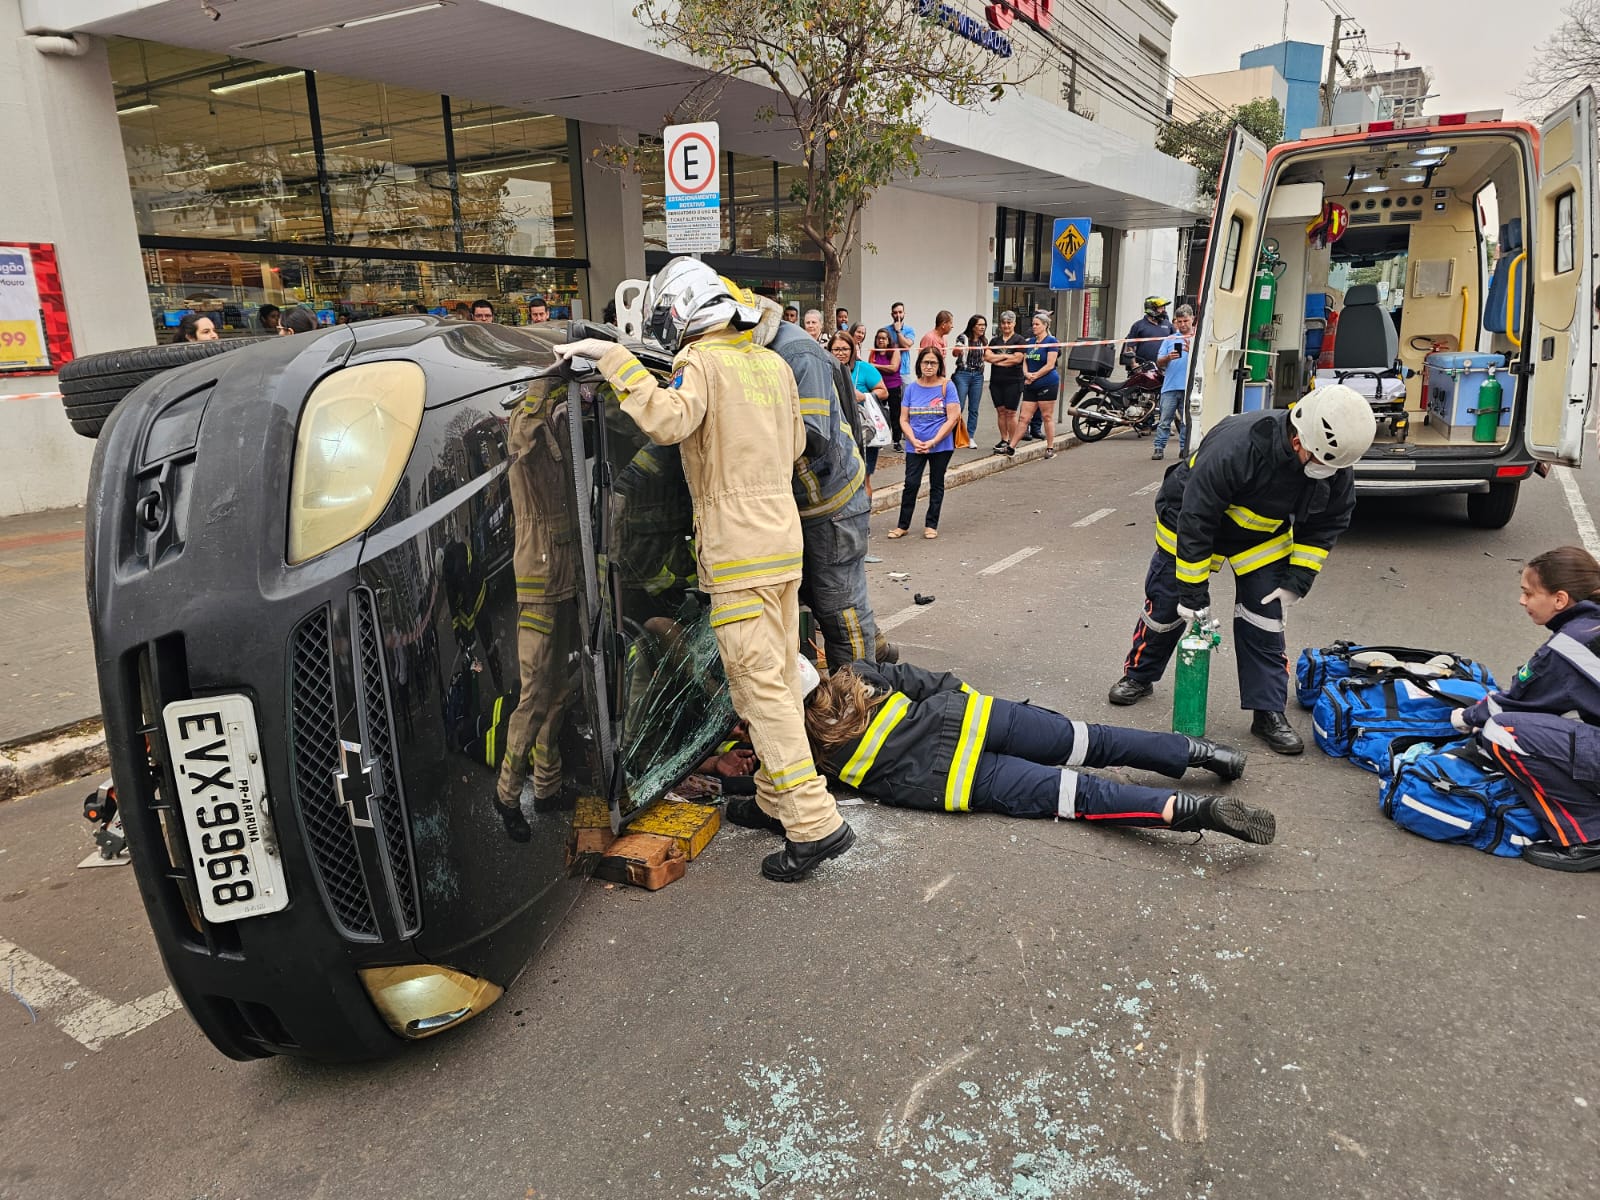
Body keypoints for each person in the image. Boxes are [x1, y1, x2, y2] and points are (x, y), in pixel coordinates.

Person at [555, 256, 854, 881]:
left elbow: (666, 422)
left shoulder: (703, 362)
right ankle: (776, 795)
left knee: (759, 687)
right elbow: (797, 444)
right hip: (781, 545)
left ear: (682, 313)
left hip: (738, 553)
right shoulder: (769, 362)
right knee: (770, 674)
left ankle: (814, 824)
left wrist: (613, 359)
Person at [724, 658, 1273, 845]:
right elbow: (931, 679)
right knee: (1089, 740)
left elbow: (785, 796)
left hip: (957, 779)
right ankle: (1209, 754)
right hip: (978, 720)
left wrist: (732, 788)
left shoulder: (807, 750)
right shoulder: (859, 675)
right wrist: (974, 708)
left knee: (1078, 796)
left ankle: (1195, 814)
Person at [1107, 385, 1377, 755]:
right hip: (1188, 521)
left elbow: (1328, 522)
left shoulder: (1332, 465)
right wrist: (1193, 593)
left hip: (1258, 538)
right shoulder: (1239, 445)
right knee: (1167, 608)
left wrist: (1298, 580)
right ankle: (1138, 675)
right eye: (1318, 459)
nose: (1323, 471)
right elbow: (1197, 518)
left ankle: (1267, 711)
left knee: (1264, 619)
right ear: (1299, 438)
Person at [760, 294, 888, 671]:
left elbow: (812, 435)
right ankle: (875, 647)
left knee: (839, 606)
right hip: (804, 507)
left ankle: (861, 696)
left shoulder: (796, 353)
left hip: (830, 507)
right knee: (819, 594)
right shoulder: (769, 351)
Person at [1453, 546, 1600, 871]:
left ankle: (1588, 835)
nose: (1522, 601)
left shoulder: (1569, 645)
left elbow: (1515, 703)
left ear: (1560, 600)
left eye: (1529, 593)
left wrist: (1464, 717)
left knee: (1501, 731)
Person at [888, 346, 960, 540]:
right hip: (915, 445)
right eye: (925, 362)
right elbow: (903, 419)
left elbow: (952, 418)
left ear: (939, 365)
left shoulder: (948, 386)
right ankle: (902, 525)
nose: (929, 366)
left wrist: (934, 441)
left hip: (940, 445)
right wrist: (913, 440)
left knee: (936, 483)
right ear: (919, 364)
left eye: (933, 363)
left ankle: (931, 524)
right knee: (911, 483)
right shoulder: (912, 388)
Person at [828, 331, 887, 479]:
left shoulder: (864, 369)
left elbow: (884, 392)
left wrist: (865, 396)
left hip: (863, 431)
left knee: (863, 479)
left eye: (845, 349)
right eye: (836, 349)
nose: (840, 353)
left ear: (852, 350)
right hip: (836, 434)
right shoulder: (825, 370)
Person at [1151, 304, 1195, 462]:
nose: (1183, 324)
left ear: (1192, 319)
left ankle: (1184, 449)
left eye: (1186, 321)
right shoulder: (1170, 339)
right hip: (1170, 386)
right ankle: (1159, 448)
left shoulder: (1197, 339)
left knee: (1186, 421)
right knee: (1164, 421)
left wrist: (1192, 351)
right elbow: (1159, 362)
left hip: (1189, 388)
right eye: (1179, 321)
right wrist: (1168, 357)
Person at [1015, 312, 1060, 460]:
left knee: (1047, 416)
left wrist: (1035, 376)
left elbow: (1050, 364)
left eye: (1037, 324)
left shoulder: (1051, 341)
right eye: (1033, 324)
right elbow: (1025, 361)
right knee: (1023, 417)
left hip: (1047, 383)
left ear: (1045, 325)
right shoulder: (1030, 342)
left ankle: (1050, 447)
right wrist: (1026, 374)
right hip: (1030, 383)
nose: (1033, 327)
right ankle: (1011, 447)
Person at [986, 309, 1027, 456]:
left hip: (1013, 382)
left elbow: (1017, 359)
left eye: (1009, 322)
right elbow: (987, 357)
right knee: (1000, 411)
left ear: (1014, 323)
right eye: (1003, 323)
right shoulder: (994, 340)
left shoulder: (1019, 340)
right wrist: (1005, 358)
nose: (1006, 325)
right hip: (996, 382)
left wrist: (998, 359)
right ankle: (1004, 439)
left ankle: (1012, 443)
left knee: (1011, 412)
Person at [951, 314, 988, 442]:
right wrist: (958, 350)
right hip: (963, 374)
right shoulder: (963, 338)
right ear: (973, 326)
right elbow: (955, 353)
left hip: (978, 376)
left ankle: (970, 436)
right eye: (980, 325)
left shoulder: (984, 341)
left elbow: (987, 356)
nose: (982, 328)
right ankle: (954, 435)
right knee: (958, 406)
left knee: (974, 408)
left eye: (984, 325)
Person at [869, 328, 905, 454]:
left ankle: (896, 441)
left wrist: (877, 366)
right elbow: (869, 368)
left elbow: (893, 368)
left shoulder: (894, 350)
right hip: (878, 387)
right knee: (878, 414)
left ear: (889, 340)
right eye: (879, 338)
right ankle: (880, 439)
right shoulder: (874, 352)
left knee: (896, 414)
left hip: (893, 386)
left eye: (884, 338)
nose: (881, 340)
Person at [1121, 295, 1174, 374]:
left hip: (1163, 369)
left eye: (1164, 307)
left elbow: (1176, 341)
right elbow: (1130, 347)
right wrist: (1133, 365)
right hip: (1143, 369)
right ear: (1152, 308)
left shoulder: (1168, 324)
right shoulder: (1138, 325)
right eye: (1161, 308)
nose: (1164, 310)